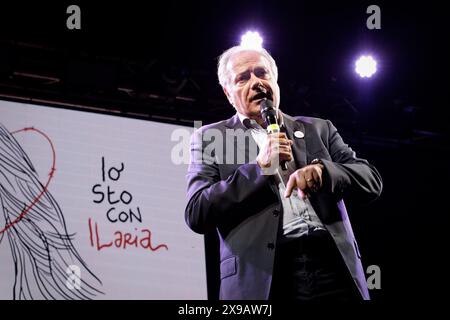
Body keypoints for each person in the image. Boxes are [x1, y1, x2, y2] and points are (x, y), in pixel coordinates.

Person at [184, 45, 383, 300]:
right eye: (243, 78)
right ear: (228, 93)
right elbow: (197, 212)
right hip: (264, 277)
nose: (256, 82)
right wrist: (260, 169)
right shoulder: (210, 138)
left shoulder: (318, 128)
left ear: (275, 81)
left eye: (262, 74)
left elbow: (370, 180)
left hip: (333, 266)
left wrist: (324, 171)